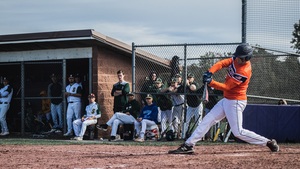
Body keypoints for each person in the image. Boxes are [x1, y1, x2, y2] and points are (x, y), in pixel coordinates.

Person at [168, 43, 279, 154]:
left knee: (238, 132)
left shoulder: (244, 71)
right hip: (227, 100)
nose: (237, 59)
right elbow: (223, 63)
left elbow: (227, 87)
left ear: (247, 58)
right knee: (207, 121)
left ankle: (268, 142)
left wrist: (211, 82)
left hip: (236, 102)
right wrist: (210, 72)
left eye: (240, 57)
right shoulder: (237, 58)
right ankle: (189, 145)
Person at [177, 73, 202, 138]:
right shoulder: (185, 86)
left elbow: (193, 88)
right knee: (186, 120)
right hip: (190, 106)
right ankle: (184, 135)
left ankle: (199, 136)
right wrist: (183, 85)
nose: (189, 79)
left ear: (193, 78)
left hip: (197, 105)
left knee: (198, 121)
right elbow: (178, 91)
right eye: (188, 78)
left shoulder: (195, 84)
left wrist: (187, 84)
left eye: (190, 78)